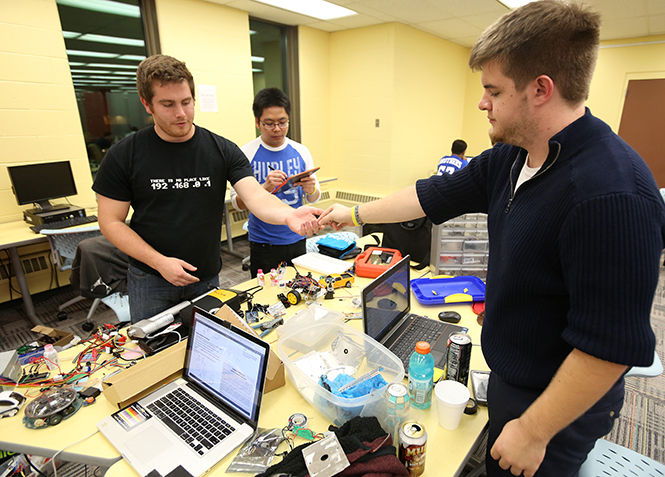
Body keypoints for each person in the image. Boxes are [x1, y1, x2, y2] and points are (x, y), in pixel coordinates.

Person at [318, 2, 665, 476]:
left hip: (558, 404)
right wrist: (352, 214)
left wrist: (534, 430)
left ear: (540, 89)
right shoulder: (512, 156)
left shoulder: (612, 195)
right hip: (511, 371)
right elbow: (429, 195)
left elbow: (608, 348)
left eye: (493, 90)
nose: (482, 102)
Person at [93, 55, 321, 323]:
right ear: (147, 104)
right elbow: (110, 221)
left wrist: (288, 215)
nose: (181, 113)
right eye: (168, 104)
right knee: (155, 354)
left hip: (206, 276)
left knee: (208, 349)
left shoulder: (221, 149)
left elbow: (256, 196)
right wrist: (159, 262)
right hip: (151, 278)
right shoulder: (124, 155)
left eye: (186, 102)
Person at [230, 87, 320, 277]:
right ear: (257, 122)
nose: (277, 129)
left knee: (298, 289)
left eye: (282, 122)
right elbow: (237, 204)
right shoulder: (245, 153)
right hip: (264, 242)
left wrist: (311, 189)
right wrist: (264, 188)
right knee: (264, 297)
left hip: (297, 236)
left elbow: (313, 199)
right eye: (269, 123)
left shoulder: (301, 151)